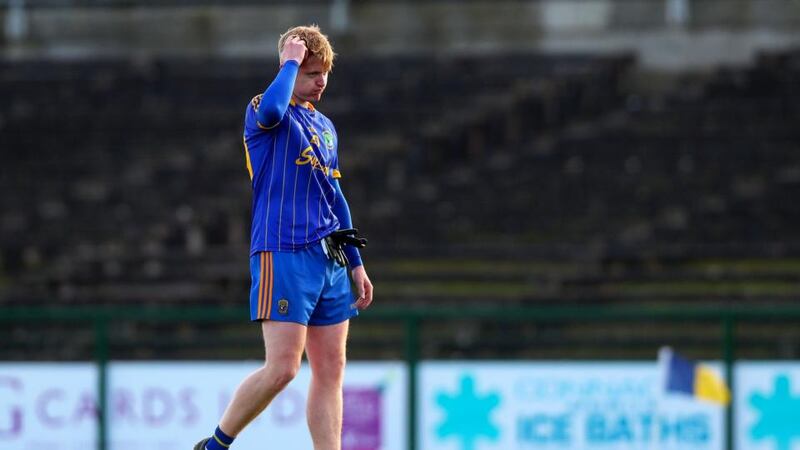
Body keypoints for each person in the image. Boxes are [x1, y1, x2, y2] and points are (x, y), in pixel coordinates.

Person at [194, 24, 374, 450]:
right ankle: (217, 444)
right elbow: (273, 110)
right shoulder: (265, 108)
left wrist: (356, 262)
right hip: (284, 250)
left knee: (331, 370)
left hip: (327, 256)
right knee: (283, 369)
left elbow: (335, 194)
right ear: (291, 69)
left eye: (324, 73)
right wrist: (290, 62)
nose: (321, 82)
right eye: (312, 73)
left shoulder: (325, 126)